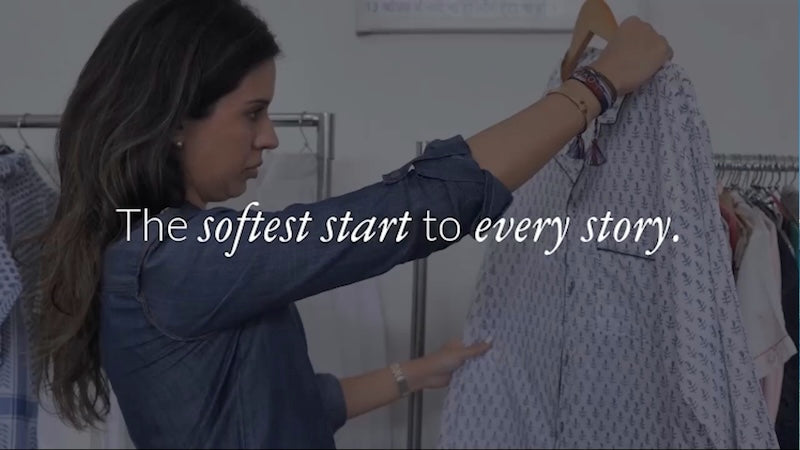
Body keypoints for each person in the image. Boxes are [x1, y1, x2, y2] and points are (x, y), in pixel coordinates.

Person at [34, 0, 672, 448]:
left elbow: (283, 407)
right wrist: (597, 87)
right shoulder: (175, 260)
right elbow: (405, 213)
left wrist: (416, 373)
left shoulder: (160, 254)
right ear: (175, 120)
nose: (269, 138)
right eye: (253, 113)